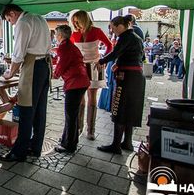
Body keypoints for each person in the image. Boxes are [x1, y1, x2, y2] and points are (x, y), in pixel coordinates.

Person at [0, 4, 51, 162]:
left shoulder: (23, 22)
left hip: (33, 67)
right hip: (45, 66)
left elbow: (19, 53)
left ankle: (19, 152)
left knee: (27, 110)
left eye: (9, 20)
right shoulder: (40, 18)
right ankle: (35, 148)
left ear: (12, 13)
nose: (11, 23)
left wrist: (10, 73)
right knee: (40, 110)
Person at [97, 16, 146, 154]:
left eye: (113, 28)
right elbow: (139, 58)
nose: (112, 31)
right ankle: (128, 142)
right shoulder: (136, 37)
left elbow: (115, 53)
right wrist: (119, 64)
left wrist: (101, 61)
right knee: (130, 110)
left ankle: (116, 145)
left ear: (120, 26)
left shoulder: (124, 37)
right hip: (137, 78)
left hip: (126, 78)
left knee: (119, 109)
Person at [70, 10, 112, 140]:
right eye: (73, 21)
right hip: (79, 67)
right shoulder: (74, 33)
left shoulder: (96, 31)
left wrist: (103, 60)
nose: (75, 24)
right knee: (80, 97)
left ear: (84, 19)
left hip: (94, 66)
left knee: (92, 95)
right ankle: (79, 128)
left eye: (77, 21)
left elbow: (109, 45)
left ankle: (91, 130)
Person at [52, 25, 90, 153]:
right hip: (81, 81)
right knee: (72, 113)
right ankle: (67, 140)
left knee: (70, 114)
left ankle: (69, 146)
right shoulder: (70, 45)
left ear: (61, 36)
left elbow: (60, 66)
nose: (55, 37)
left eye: (56, 34)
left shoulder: (64, 48)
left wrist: (54, 75)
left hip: (75, 83)